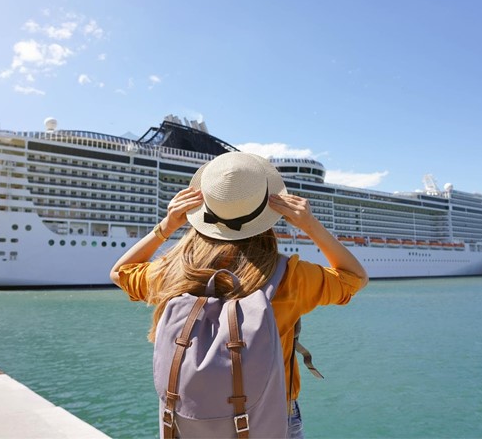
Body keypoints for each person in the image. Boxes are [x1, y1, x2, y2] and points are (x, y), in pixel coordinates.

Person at [110, 151, 368, 438]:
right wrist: (310, 225)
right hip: (273, 415)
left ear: (202, 212)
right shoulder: (290, 276)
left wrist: (167, 225)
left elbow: (121, 272)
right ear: (268, 214)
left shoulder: (174, 271)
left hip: (189, 420)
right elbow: (354, 277)